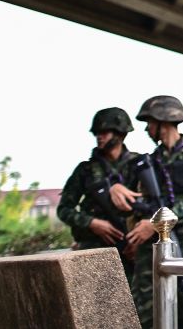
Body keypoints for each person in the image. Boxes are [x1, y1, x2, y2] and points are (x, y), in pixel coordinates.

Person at [110, 95, 183, 328]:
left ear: (163, 121)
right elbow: (125, 186)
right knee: (148, 313)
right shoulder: (149, 161)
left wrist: (154, 223)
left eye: (149, 123)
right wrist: (116, 187)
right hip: (152, 250)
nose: (147, 129)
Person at [57, 107, 138, 282]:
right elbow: (64, 209)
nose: (99, 137)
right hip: (95, 252)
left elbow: (156, 205)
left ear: (120, 134)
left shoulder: (139, 165)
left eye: (104, 132)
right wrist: (92, 223)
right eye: (96, 133)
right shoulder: (85, 170)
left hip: (134, 252)